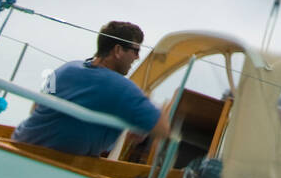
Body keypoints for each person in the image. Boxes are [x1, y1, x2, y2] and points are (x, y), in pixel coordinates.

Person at [12, 21, 169, 158]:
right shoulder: (122, 88)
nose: (137, 57)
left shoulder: (67, 68)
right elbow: (163, 128)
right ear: (118, 51)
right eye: (135, 51)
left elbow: (35, 108)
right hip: (52, 162)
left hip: (17, 143)